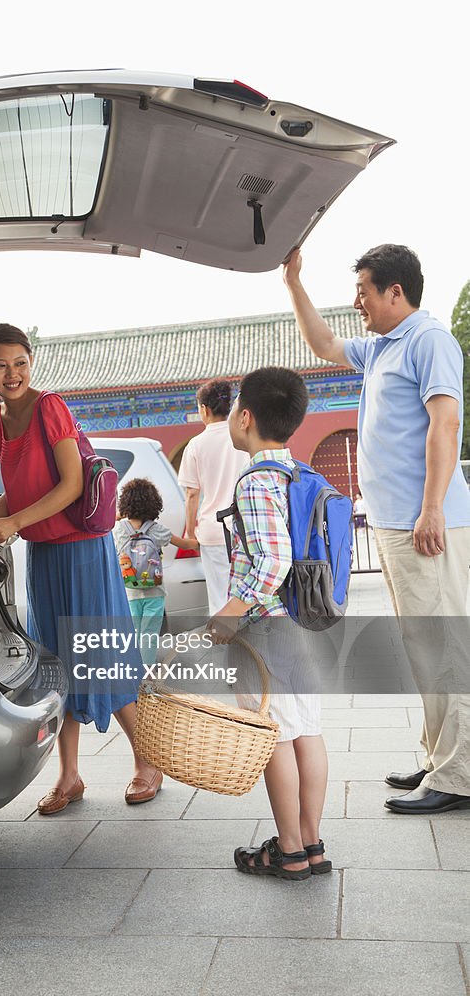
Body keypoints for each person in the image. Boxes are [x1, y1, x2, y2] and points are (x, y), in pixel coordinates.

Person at [283, 245, 470, 814]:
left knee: (446, 644)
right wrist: (294, 282)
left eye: (364, 290)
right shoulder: (384, 347)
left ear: (396, 292)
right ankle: (442, 758)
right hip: (396, 523)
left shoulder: (429, 339)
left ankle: (460, 774)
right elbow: (323, 344)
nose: (356, 301)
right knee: (423, 644)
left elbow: (446, 421)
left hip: (425, 524)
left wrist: (432, 508)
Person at [0, 323, 163, 813]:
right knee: (58, 660)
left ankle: (148, 761)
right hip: (43, 553)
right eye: (0, 365)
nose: (12, 373)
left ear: (30, 361)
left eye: (20, 362)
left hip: (83, 548)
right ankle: (70, 776)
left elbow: (71, 484)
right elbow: (18, 493)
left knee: (99, 651)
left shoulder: (49, 406)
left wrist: (13, 521)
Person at [209, 367, 331, 880]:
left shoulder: (257, 481)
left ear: (245, 417)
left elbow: (273, 562)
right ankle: (312, 844)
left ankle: (287, 850)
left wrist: (231, 614)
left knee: (274, 734)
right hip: (305, 621)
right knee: (308, 731)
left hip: (267, 626)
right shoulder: (301, 475)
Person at [178, 378, 249, 616]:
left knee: (220, 598)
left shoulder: (196, 445)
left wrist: (190, 533)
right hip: (246, 527)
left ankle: (226, 650)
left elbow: (192, 494)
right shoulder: (244, 437)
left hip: (213, 531)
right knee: (247, 595)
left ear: (204, 409)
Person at [113, 478, 199, 663]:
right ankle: (147, 674)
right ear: (154, 505)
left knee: (131, 634)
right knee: (149, 635)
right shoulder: (157, 530)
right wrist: (199, 543)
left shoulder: (118, 529)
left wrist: (120, 515)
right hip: (155, 593)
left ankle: (130, 670)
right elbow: (186, 544)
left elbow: (111, 521)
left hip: (129, 592)